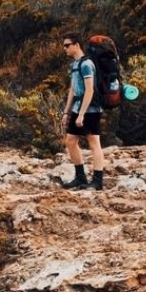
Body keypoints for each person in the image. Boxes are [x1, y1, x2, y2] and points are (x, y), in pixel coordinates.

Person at [60, 33, 104, 190]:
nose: (65, 48)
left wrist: (81, 114)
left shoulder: (86, 64)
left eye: (67, 45)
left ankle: (98, 181)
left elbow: (90, 90)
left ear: (76, 45)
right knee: (70, 142)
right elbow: (73, 89)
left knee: (94, 143)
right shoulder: (75, 64)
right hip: (78, 108)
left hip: (90, 110)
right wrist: (67, 112)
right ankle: (80, 177)